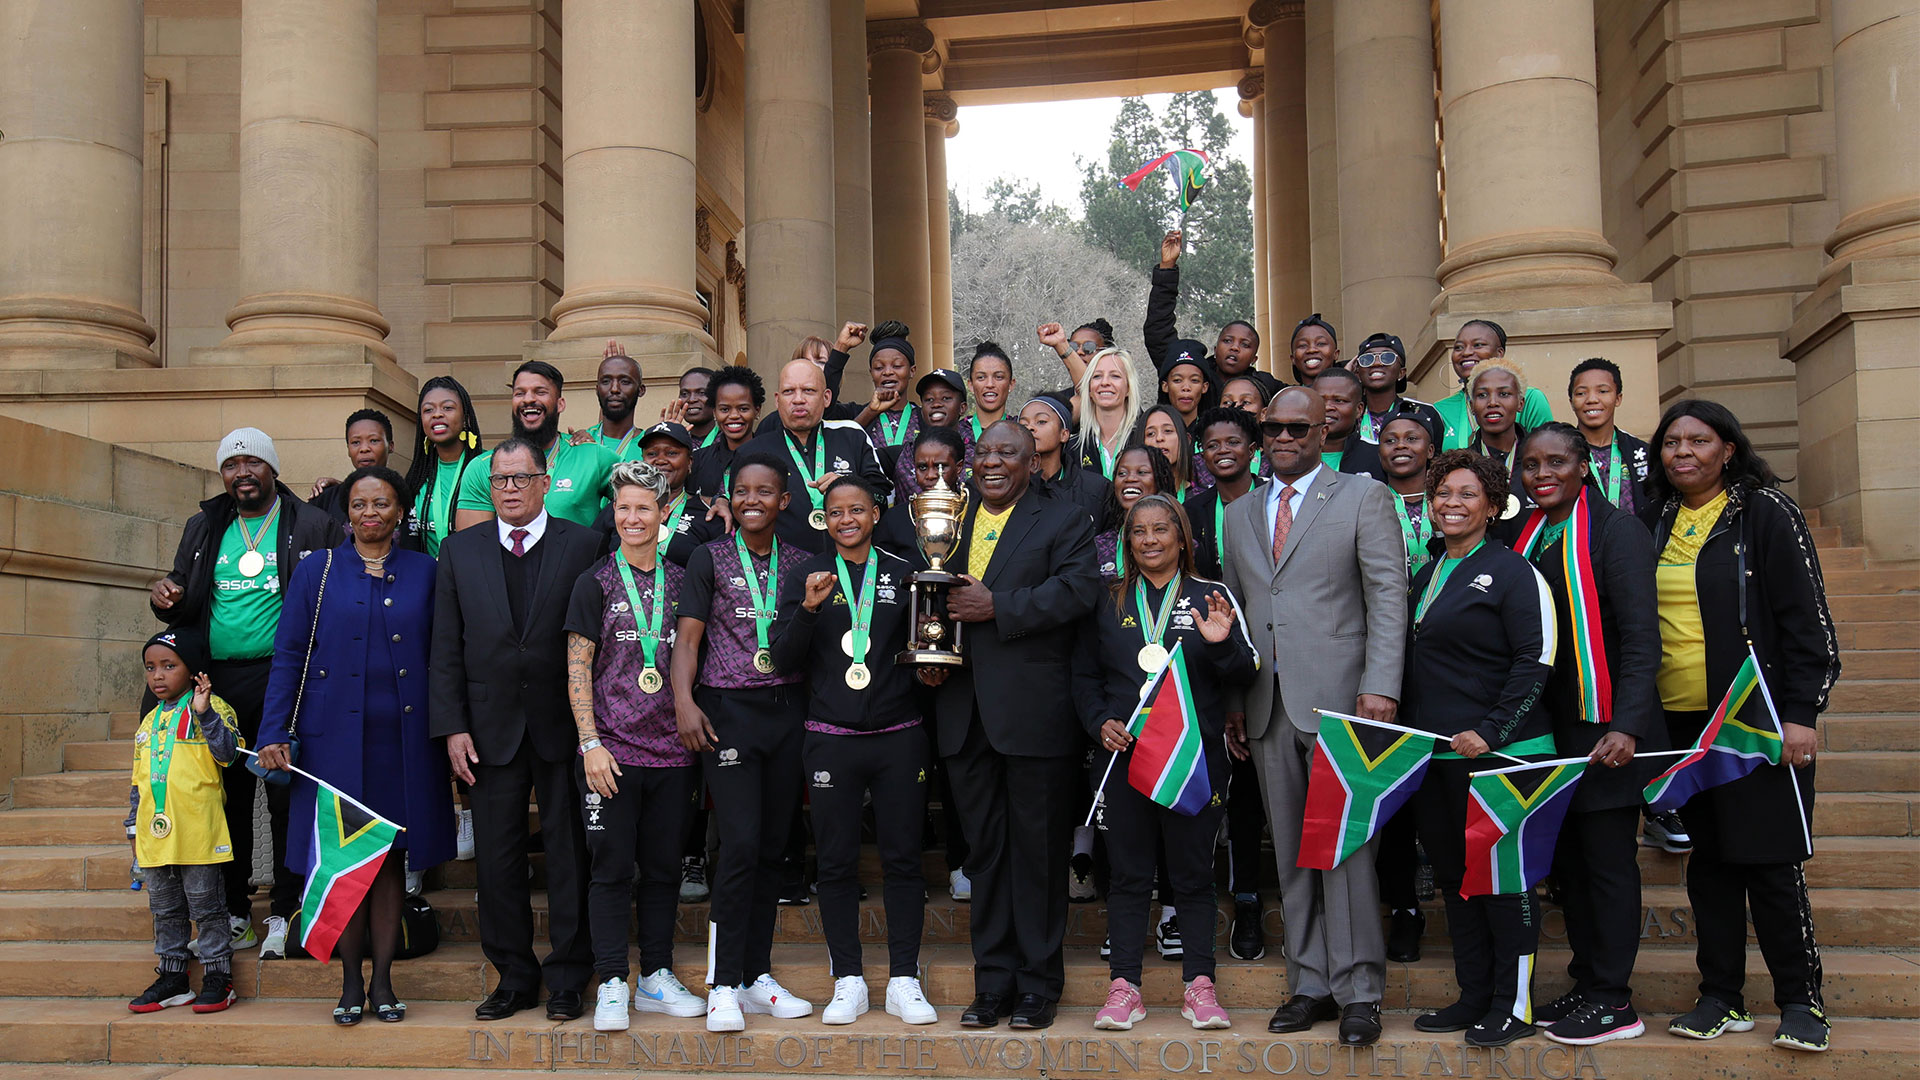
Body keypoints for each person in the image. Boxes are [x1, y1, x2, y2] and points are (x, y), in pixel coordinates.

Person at [1644, 400, 1838, 1053]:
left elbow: (1806, 621)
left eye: (1698, 441)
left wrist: (1801, 714)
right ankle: (1720, 996)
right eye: (1671, 443)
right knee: (1712, 865)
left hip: (1754, 721)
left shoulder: (1765, 512)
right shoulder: (1656, 518)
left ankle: (1800, 1001)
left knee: (1771, 862)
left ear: (1729, 448)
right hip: (1683, 723)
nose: (1683, 453)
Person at [1219, 387, 1407, 1048]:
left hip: (1346, 703)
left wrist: (1382, 684)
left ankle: (1359, 990)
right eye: (1272, 428)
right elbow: (1240, 615)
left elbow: (1387, 592)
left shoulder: (1362, 495)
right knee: (1294, 852)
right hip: (1268, 708)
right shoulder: (1239, 514)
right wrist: (1236, 703)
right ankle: (1310, 983)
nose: (1283, 438)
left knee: (1348, 850)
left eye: (1297, 427)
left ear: (1326, 428)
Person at [256, 465, 454, 1024]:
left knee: (388, 861)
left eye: (382, 504)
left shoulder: (426, 570)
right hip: (332, 742)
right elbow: (289, 654)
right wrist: (273, 730)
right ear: (347, 511)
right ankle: (348, 983)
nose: (371, 514)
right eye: (361, 504)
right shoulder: (316, 571)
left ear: (400, 511)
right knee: (342, 862)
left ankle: (385, 981)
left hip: (404, 741)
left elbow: (445, 658)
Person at [935, 421, 1100, 1031]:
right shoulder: (948, 519)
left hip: (1034, 717)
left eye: (1008, 452)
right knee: (986, 857)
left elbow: (1079, 590)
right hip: (962, 714)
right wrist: (929, 660)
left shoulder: (1064, 519)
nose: (993, 461)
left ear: (1034, 462)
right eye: (984, 451)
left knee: (1038, 856)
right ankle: (993, 984)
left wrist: (998, 607)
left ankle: (1037, 985)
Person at [430, 437, 602, 1023]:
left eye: (519, 478)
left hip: (564, 728)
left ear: (542, 479)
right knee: (497, 862)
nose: (507, 489)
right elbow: (445, 647)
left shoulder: (584, 545)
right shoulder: (458, 552)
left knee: (569, 855)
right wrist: (452, 727)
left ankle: (568, 977)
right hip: (487, 731)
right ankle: (513, 977)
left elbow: (596, 646)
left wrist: (594, 730)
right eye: (498, 480)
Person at [150, 427, 335, 960]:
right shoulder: (204, 526)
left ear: (273, 468)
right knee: (221, 796)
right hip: (217, 685)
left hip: (286, 679)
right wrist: (167, 597)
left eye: (253, 462)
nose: (242, 473)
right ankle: (234, 912)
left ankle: (283, 909)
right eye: (231, 465)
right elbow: (183, 598)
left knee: (282, 795)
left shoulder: (312, 523)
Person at [1511, 424, 1665, 1046]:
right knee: (1570, 866)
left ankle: (1613, 998)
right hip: (1553, 729)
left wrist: (1627, 724)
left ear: (1584, 467)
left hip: (1607, 728)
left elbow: (1640, 637)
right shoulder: (1524, 534)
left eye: (1556, 462)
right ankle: (1585, 980)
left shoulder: (1614, 530)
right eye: (1530, 464)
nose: (1542, 473)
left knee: (1605, 865)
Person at [1079, 496, 1257, 1033]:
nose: (1151, 540)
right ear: (1127, 542)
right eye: (1140, 532)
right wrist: (1098, 722)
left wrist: (1222, 647)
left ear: (1183, 538)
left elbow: (1247, 670)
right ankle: (1124, 987)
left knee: (1193, 877)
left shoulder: (1213, 597)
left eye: (1162, 530)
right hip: (1125, 759)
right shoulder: (1107, 600)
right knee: (1129, 876)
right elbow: (1083, 677)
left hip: (1193, 762)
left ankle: (1199, 986)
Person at [1401, 450, 1557, 1048]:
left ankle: (1513, 1006)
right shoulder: (1428, 570)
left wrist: (1492, 730)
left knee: (1504, 881)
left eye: (1467, 494)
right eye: (1443, 493)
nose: (1452, 504)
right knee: (1457, 880)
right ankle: (1474, 996)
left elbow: (1536, 660)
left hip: (1505, 754)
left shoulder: (1517, 573)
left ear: (1493, 506)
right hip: (1438, 756)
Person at [772, 478, 939, 1027]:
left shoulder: (904, 571)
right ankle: (848, 979)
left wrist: (933, 667)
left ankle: (904, 980)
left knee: (902, 861)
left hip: (899, 734)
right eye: (836, 512)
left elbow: (927, 644)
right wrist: (811, 610)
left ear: (875, 513)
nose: (847, 519)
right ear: (824, 519)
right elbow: (785, 658)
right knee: (838, 863)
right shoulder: (806, 576)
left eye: (857, 510)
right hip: (831, 737)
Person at [671, 454, 816, 1032]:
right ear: (730, 498)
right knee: (738, 846)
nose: (753, 499)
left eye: (767, 491)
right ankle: (723, 982)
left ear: (785, 500)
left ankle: (756, 977)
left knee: (773, 850)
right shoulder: (708, 557)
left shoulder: (804, 562)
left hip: (787, 713)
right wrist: (684, 701)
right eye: (743, 491)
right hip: (727, 712)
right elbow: (687, 638)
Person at [563, 461, 707, 1032]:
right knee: (610, 870)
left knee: (664, 870)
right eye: (622, 508)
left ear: (664, 512)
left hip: (673, 754)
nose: (632, 518)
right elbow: (578, 666)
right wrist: (590, 743)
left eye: (643, 508)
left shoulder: (684, 579)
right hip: (611, 755)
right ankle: (612, 983)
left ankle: (655, 976)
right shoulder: (593, 581)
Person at [1179, 406, 1267, 962]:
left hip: (1276, 662)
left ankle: (1265, 899)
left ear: (1253, 447)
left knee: (1263, 792)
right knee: (1231, 793)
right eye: (1211, 444)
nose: (1222, 450)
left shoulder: (1277, 501)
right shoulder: (1191, 512)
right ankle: (1243, 897)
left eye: (1234, 440)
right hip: (1212, 670)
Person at [124, 628, 242, 1015]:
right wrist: (132, 829)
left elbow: (228, 755)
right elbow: (138, 783)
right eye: (150, 668)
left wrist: (205, 714)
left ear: (193, 671)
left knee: (206, 906)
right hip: (156, 835)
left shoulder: (215, 708)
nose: (157, 675)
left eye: (168, 666)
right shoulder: (148, 723)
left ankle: (217, 977)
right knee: (164, 909)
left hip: (198, 831)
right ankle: (173, 977)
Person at [1372, 412, 1444, 963]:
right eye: (1389, 439)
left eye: (1411, 439)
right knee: (1393, 797)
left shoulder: (1454, 501)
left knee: (1442, 795)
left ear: (1432, 447)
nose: (1399, 446)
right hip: (1384, 665)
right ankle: (1403, 909)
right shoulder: (1364, 501)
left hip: (1447, 668)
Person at [737, 359, 891, 552]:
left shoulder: (852, 436)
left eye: (808, 390)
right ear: (777, 400)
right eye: (788, 391)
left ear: (826, 397)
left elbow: (882, 500)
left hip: (853, 567)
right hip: (782, 571)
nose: (798, 399)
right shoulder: (752, 452)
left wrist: (848, 486)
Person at [455, 360, 620, 529]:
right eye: (520, 393)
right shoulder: (482, 468)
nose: (528, 399)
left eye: (540, 392)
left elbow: (640, 508)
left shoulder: (594, 457)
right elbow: (473, 547)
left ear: (560, 404)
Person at [1145, 229, 1276, 401]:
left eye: (1245, 344)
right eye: (1227, 341)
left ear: (1254, 359)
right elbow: (1158, 332)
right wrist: (1167, 268)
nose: (1234, 348)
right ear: (1215, 349)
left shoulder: (1265, 386)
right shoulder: (1191, 370)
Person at [590, 422, 720, 566]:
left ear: (689, 462)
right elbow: (593, 561)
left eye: (672, 453)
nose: (660, 460)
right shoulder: (619, 510)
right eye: (652, 454)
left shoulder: (708, 515)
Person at [1436, 320, 1554, 450]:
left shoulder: (1530, 398)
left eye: (1478, 345)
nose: (1466, 352)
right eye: (1458, 347)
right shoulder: (1439, 410)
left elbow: (1547, 451)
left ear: (1499, 353)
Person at [404, 376, 485, 559]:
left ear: (465, 417)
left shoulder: (487, 465)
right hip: (430, 582)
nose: (437, 414)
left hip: (474, 579)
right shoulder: (416, 476)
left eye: (448, 408)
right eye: (428, 410)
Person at [1567, 357, 1655, 517]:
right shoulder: (1562, 453)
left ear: (1618, 398)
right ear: (1572, 402)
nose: (1592, 399)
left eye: (1603, 391)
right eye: (1581, 393)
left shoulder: (1642, 453)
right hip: (1579, 541)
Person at [1020, 392, 1106, 526]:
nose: (1030, 428)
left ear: (1064, 434)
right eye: (1023, 425)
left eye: (1041, 421)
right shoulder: (1012, 487)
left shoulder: (1096, 489)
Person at [1096, 446, 1177, 584]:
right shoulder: (1099, 546)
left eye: (1142, 472)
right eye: (1122, 473)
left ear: (1160, 479)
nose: (1130, 478)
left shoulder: (1178, 543)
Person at [309, 409, 398, 534]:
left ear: (391, 446)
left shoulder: (406, 494)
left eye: (374, 440)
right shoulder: (327, 498)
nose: (364, 449)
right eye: (356, 442)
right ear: (348, 449)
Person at [891, 367, 975, 498]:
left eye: (946, 398)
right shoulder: (905, 453)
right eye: (929, 399)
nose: (936, 404)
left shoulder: (977, 453)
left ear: (962, 407)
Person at [1466, 361, 1534, 521]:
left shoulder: (1541, 458)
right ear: (1471, 406)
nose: (1492, 403)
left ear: (1520, 403)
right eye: (1482, 395)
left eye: (1504, 394)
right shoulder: (1463, 464)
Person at [1350, 333, 1445, 447]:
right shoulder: (1349, 415)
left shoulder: (1423, 412)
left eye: (1387, 358)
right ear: (1358, 374)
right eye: (1367, 359)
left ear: (1401, 373)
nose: (1377, 363)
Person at [689, 365, 765, 500]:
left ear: (757, 411)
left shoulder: (772, 456)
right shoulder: (698, 460)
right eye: (724, 409)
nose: (734, 415)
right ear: (714, 412)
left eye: (743, 409)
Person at [1071, 347, 1147, 480]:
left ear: (1129, 387)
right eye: (1097, 376)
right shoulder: (1073, 447)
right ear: (1089, 388)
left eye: (1115, 376)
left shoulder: (1146, 441)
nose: (1105, 382)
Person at [577, 342, 648, 460]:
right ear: (597, 389)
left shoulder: (649, 446)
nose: (614, 389)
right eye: (606, 381)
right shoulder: (580, 443)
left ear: (641, 390)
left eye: (625, 381)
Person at [1314, 367, 1380, 477]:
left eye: (1339, 401)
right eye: (1320, 400)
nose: (1327, 407)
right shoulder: (1293, 453)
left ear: (1359, 410)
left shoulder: (1378, 456)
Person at [1155, 338, 1219, 438]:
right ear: (1165, 386)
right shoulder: (1153, 435)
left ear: (1204, 387)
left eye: (1194, 380)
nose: (1186, 387)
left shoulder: (1214, 434)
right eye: (1177, 380)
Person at [1137, 404, 1196, 497]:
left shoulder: (1201, 499)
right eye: (1151, 433)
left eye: (1168, 431)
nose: (1159, 438)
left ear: (1186, 439)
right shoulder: (1134, 497)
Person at [967, 341, 1017, 438]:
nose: (990, 384)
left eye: (999, 377)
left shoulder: (1021, 429)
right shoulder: (957, 432)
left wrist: (1056, 343)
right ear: (971, 385)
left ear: (1011, 384)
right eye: (981, 377)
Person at [1287, 314, 1341, 387]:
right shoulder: (1288, 396)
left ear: (1336, 354)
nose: (1311, 350)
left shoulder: (1351, 394)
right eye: (1302, 345)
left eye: (1321, 343)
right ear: (1293, 358)